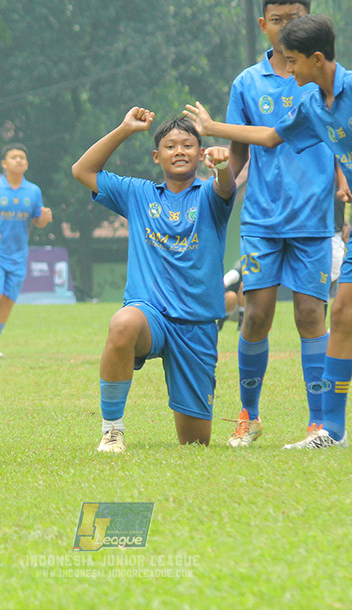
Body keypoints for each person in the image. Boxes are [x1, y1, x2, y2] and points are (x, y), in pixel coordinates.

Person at [185, 14, 352, 451]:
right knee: (342, 312)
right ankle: (333, 431)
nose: (288, 71)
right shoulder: (311, 105)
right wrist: (212, 129)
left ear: (318, 59)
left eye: (292, 62)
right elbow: (270, 137)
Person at [217, 0, 342, 449]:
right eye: (277, 20)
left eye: (295, 20)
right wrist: (222, 183)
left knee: (311, 314)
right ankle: (248, 415)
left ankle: (319, 423)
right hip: (263, 220)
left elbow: (342, 137)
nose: (285, 27)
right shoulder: (247, 84)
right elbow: (237, 151)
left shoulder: (323, 77)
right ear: (263, 24)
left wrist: (346, 177)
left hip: (312, 219)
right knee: (256, 315)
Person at [71, 108, 235, 452]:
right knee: (122, 323)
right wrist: (124, 129)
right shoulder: (138, 194)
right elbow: (82, 170)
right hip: (151, 316)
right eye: (171, 146)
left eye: (188, 145)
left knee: (194, 442)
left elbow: (225, 185)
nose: (179, 151)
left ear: (200, 153)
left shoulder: (208, 195)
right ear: (156, 156)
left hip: (197, 325)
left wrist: (222, 165)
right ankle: (112, 430)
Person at [0, 144, 53, 358]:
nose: (19, 160)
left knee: (8, 300)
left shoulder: (33, 191)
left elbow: (37, 220)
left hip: (18, 255)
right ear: (4, 163)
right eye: (14, 157)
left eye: (22, 157)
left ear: (27, 164)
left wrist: (44, 219)